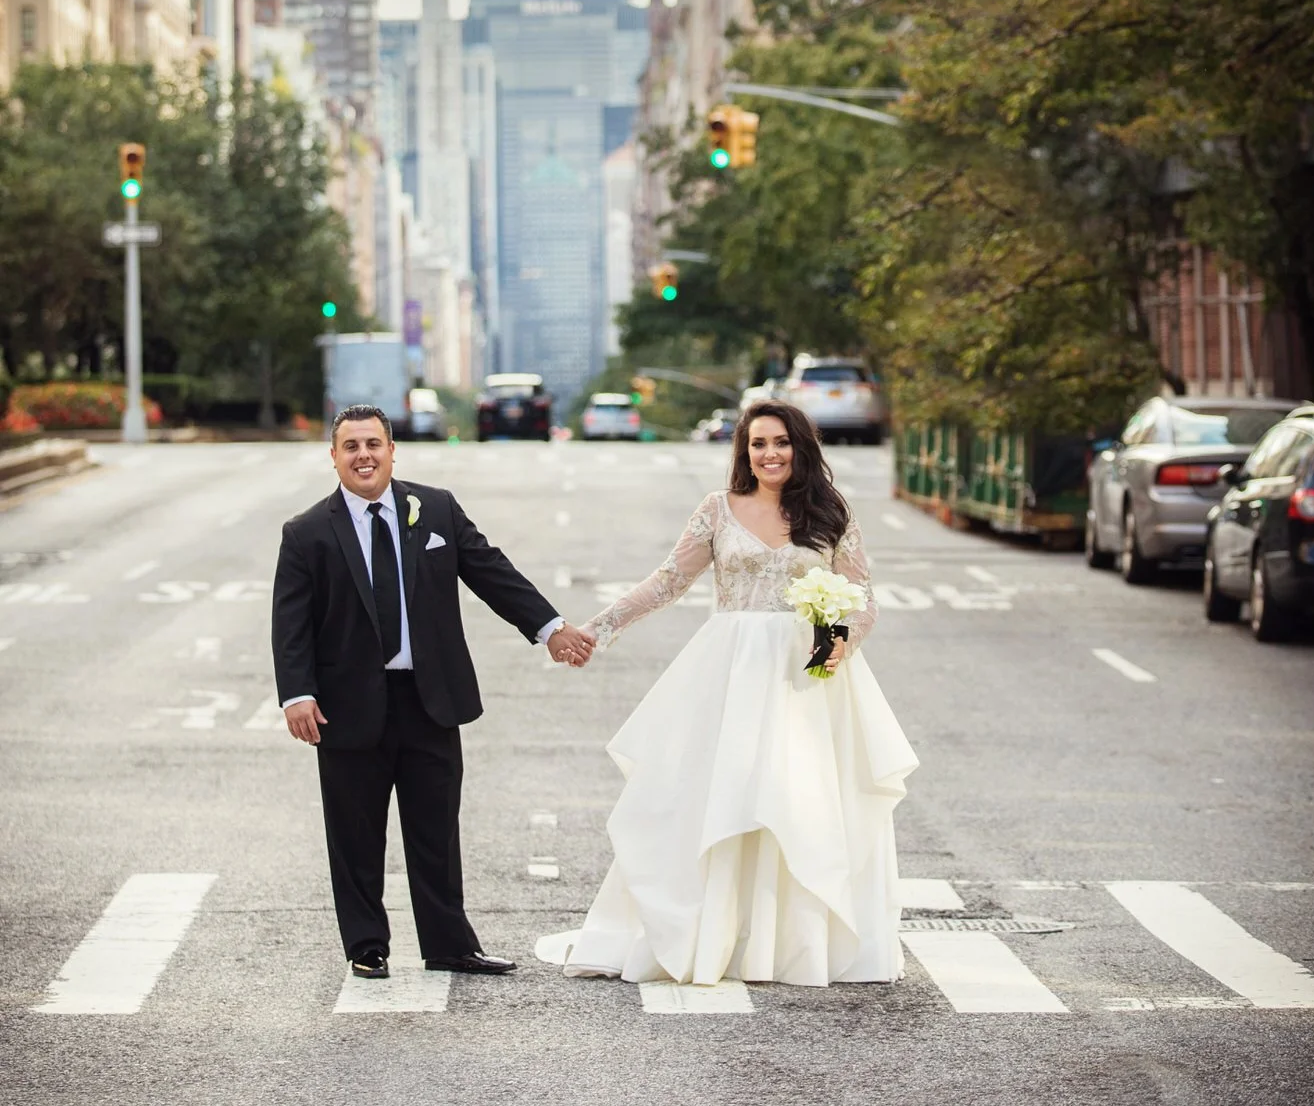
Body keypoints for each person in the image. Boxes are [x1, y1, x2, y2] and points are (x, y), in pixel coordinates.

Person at [563, 401, 917, 987]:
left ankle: (794, 944)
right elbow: (667, 583)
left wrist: (838, 643)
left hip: (808, 677)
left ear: (801, 447)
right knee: (720, 799)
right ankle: (716, 935)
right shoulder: (718, 510)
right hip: (729, 672)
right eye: (758, 444)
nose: (770, 454)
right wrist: (595, 630)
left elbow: (862, 597)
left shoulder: (830, 512)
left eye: (781, 443)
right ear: (743, 451)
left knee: (797, 804)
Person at [272, 403, 591, 980]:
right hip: (347, 709)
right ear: (334, 457)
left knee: (435, 830)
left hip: (430, 699)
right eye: (351, 447)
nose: (364, 455)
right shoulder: (307, 533)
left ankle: (449, 944)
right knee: (355, 834)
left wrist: (549, 628)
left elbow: (490, 570)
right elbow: (290, 623)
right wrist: (297, 693)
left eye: (374, 444)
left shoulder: (436, 508)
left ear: (393, 450)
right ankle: (366, 945)